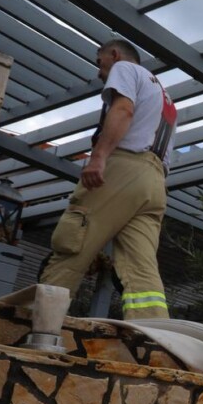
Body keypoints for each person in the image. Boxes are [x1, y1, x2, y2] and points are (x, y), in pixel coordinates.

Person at [40, 38, 177, 319]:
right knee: (141, 270)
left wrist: (99, 156)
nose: (99, 71)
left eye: (99, 61)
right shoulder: (165, 96)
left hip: (123, 169)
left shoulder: (125, 69)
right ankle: (154, 340)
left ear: (114, 54)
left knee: (72, 246)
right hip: (154, 183)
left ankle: (36, 326)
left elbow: (123, 109)